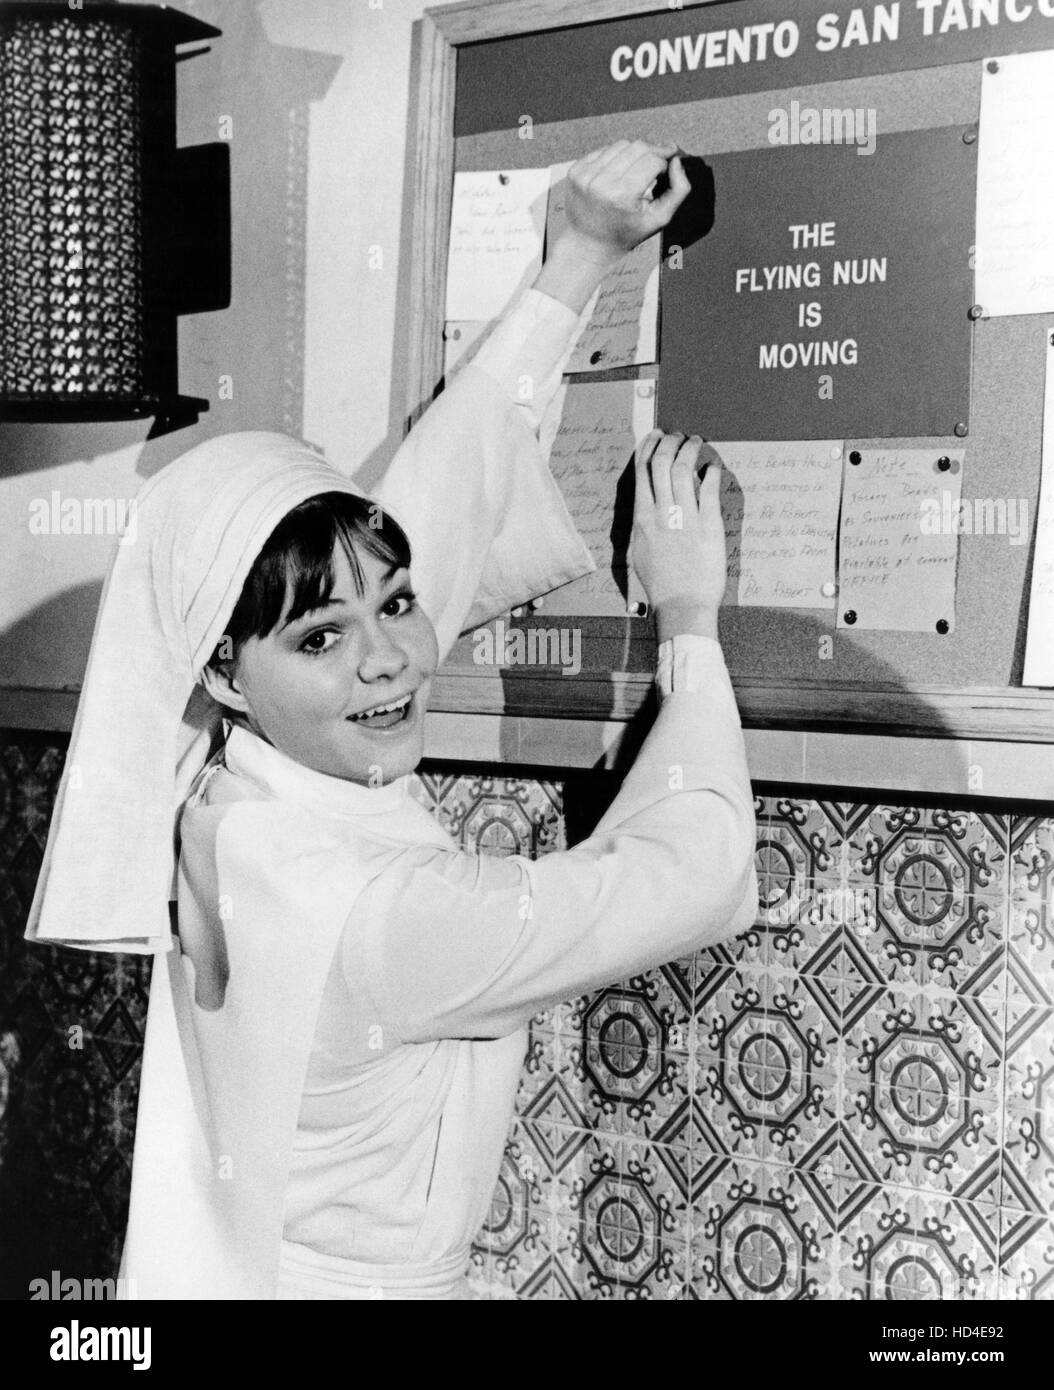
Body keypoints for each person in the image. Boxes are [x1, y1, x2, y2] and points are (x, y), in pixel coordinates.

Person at [25, 141, 758, 1299]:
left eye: (399, 603)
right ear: (224, 668)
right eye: (322, 636)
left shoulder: (222, 782)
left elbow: (429, 512)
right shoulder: (390, 919)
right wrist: (690, 621)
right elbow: (695, 869)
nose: (391, 658)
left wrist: (573, 260)